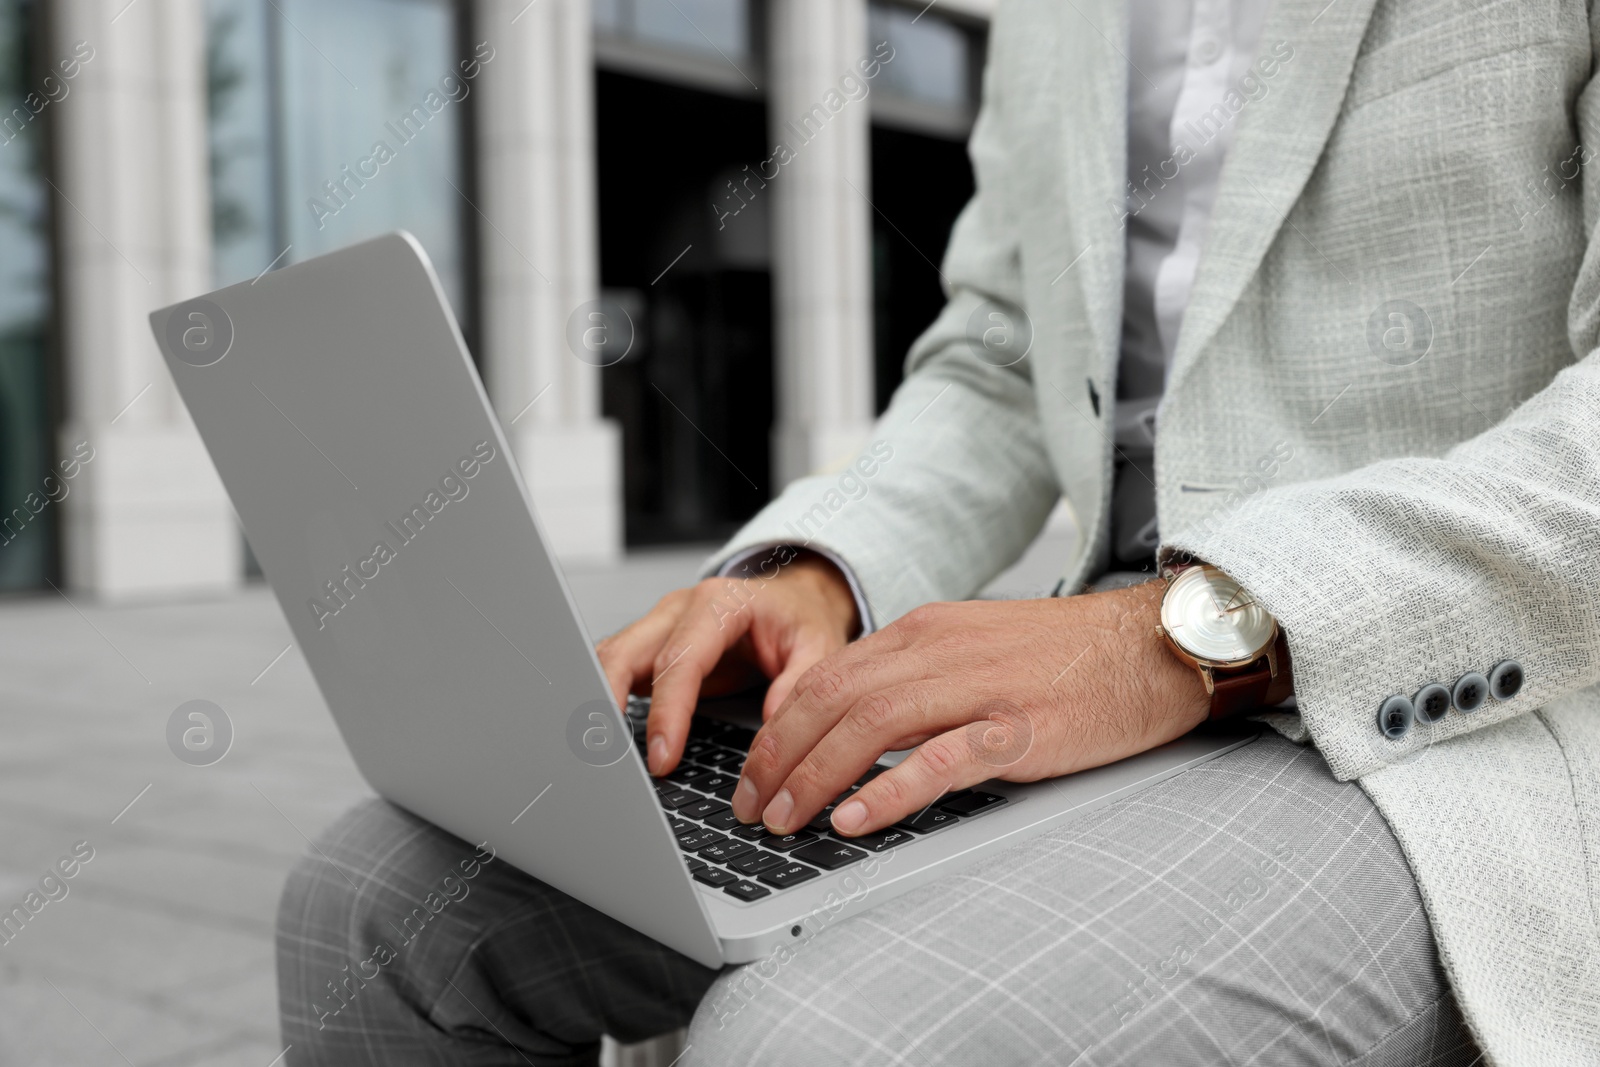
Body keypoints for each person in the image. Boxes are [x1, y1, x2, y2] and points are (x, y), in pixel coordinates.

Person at [277, 0, 1600, 1062]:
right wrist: (816, 568)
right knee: (376, 906)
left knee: (815, 1044)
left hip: (1454, 726)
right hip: (1086, 661)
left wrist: (1180, 634)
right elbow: (998, 353)